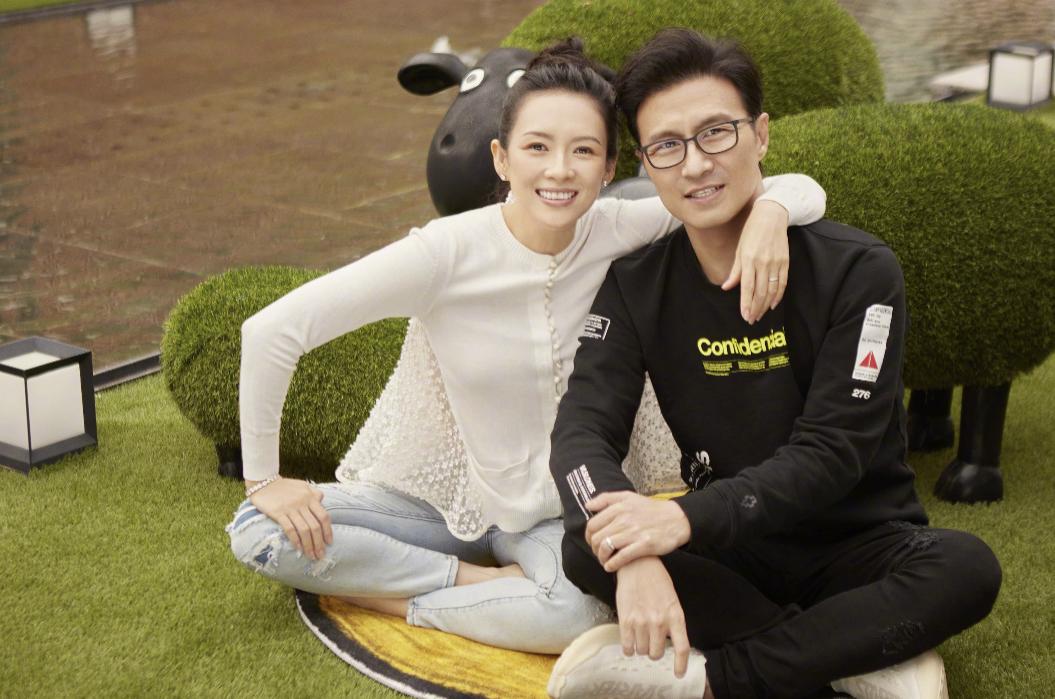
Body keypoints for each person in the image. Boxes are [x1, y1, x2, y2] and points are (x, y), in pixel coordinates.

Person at [225, 38, 826, 654]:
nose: (559, 170)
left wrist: (771, 213)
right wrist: (263, 479)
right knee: (258, 531)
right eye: (537, 147)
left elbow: (797, 185)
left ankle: (400, 598)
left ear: (610, 167)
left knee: (580, 612)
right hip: (452, 505)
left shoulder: (621, 228)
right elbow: (271, 332)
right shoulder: (442, 254)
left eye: (583, 150)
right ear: (502, 158)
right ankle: (477, 586)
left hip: (562, 516)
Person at [547, 28, 1001, 698]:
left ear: (759, 135)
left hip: (858, 543)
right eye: (667, 146)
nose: (695, 164)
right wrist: (632, 550)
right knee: (585, 545)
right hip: (735, 550)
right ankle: (846, 655)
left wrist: (681, 518)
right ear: (646, 162)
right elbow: (580, 431)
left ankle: (717, 679)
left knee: (966, 567)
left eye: (716, 133)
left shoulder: (857, 268)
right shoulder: (635, 283)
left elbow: (833, 452)